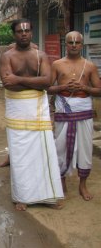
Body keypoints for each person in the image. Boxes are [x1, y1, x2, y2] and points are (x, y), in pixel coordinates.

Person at [0, 19, 64, 211]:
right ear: (14, 34)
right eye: (20, 31)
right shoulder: (7, 56)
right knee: (20, 154)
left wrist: (19, 79)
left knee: (43, 151)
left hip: (38, 109)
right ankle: (23, 196)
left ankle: (49, 196)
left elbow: (46, 82)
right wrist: (34, 82)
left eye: (27, 30)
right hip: (17, 109)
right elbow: (7, 83)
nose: (24, 34)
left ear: (32, 32)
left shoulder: (41, 55)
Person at [48, 31, 101, 201]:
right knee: (61, 144)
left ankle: (82, 184)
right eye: (70, 42)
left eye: (77, 42)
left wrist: (84, 89)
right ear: (66, 44)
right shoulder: (57, 64)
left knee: (85, 147)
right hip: (65, 107)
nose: (73, 45)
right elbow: (48, 87)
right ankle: (61, 180)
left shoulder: (90, 66)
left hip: (83, 108)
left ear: (81, 45)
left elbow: (98, 90)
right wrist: (63, 88)